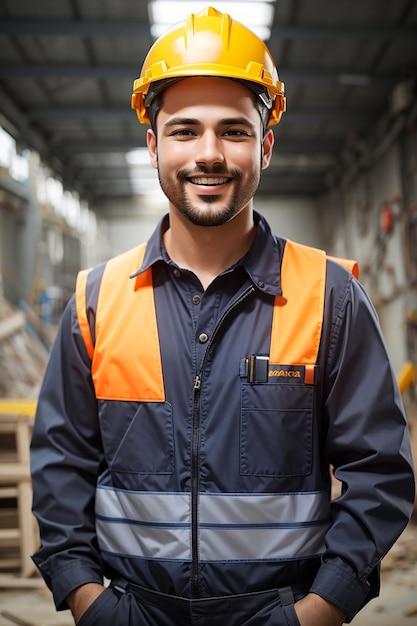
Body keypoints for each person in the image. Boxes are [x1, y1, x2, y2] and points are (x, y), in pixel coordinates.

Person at [30, 6, 415, 626]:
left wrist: (321, 610)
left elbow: (381, 471)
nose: (208, 153)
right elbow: (60, 466)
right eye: (184, 130)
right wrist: (87, 599)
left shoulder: (330, 295)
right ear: (153, 145)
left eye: (233, 131)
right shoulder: (96, 301)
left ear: (265, 145)